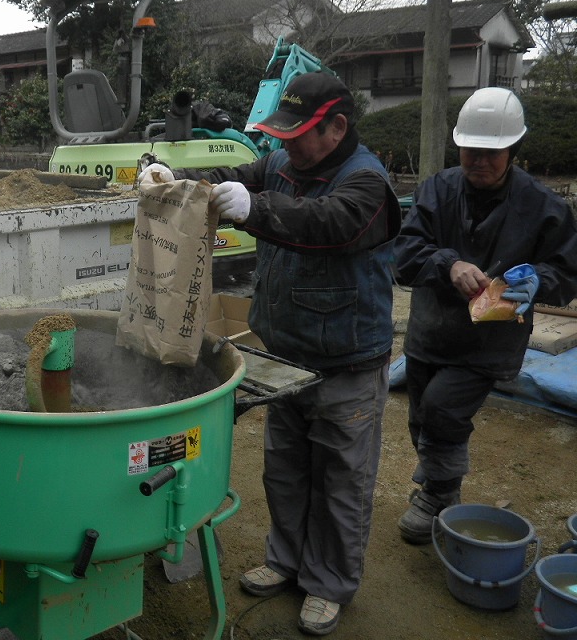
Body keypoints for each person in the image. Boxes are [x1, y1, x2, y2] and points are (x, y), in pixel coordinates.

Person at [139, 72, 401, 636]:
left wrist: (253, 210)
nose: (285, 145)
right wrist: (179, 179)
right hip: (285, 354)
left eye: (299, 133)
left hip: (347, 360)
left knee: (341, 479)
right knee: (284, 470)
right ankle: (285, 560)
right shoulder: (283, 163)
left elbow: (328, 225)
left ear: (337, 127)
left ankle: (329, 583)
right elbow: (235, 177)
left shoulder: (367, 184)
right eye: (280, 134)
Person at [393, 87, 577, 545]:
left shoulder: (543, 206)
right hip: (431, 330)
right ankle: (439, 476)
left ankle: (438, 493)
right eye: (471, 150)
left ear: (513, 150)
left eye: (492, 153)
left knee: (442, 409)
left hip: (490, 342)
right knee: (421, 417)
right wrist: (448, 264)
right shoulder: (437, 189)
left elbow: (567, 271)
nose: (479, 160)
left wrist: (538, 280)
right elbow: (406, 255)